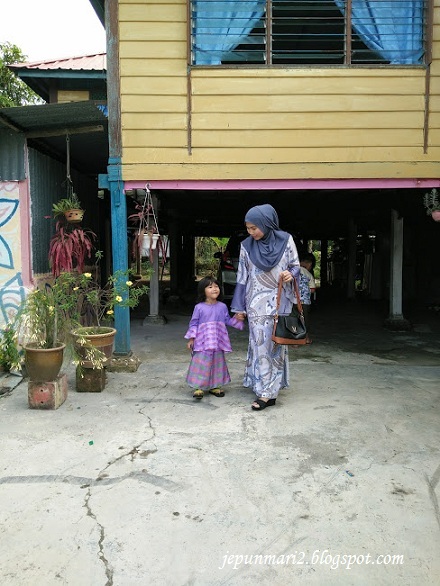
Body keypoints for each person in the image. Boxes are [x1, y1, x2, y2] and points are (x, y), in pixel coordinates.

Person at [230, 204, 300, 411]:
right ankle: (265, 391)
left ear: (266, 223)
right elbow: (242, 277)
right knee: (259, 344)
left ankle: (270, 389)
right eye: (248, 228)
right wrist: (238, 307)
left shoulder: (286, 240)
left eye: (254, 228)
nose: (251, 232)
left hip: (280, 303)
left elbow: (295, 265)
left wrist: (291, 274)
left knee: (277, 346)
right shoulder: (246, 245)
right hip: (255, 305)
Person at [184, 276, 244, 400]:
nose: (214, 289)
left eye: (216, 286)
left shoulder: (222, 306)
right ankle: (198, 387)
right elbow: (194, 323)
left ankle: (215, 386)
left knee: (217, 363)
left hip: (218, 340)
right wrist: (191, 339)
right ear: (203, 291)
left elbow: (227, 320)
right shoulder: (199, 307)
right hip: (202, 341)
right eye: (210, 287)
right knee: (201, 363)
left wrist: (237, 319)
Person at [298, 252, 316, 344]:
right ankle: (306, 338)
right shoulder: (309, 274)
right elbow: (312, 290)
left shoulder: (291, 271)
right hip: (304, 302)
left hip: (292, 301)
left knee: (293, 319)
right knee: (304, 320)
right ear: (309, 264)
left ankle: (294, 341)